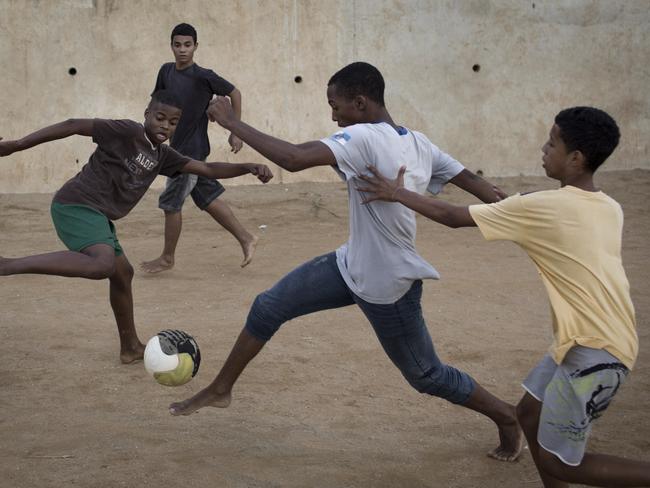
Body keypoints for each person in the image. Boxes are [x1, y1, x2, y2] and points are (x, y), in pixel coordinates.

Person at [169, 61, 523, 462]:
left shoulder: (361, 136)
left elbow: (295, 158)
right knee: (268, 306)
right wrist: (520, 209)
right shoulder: (420, 143)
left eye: (335, 105)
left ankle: (506, 415)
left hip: (388, 285)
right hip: (350, 265)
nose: (332, 115)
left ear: (360, 102)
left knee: (426, 376)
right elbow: (480, 186)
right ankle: (221, 388)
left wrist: (233, 122)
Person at [356, 106, 650, 486]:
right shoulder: (609, 207)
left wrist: (398, 193)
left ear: (576, 158)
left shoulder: (544, 206)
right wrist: (517, 204)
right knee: (529, 413)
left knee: (564, 464)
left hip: (596, 350)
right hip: (588, 340)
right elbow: (540, 216)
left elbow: (451, 216)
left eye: (552, 143)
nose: (544, 149)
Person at [0, 89, 272, 364]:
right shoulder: (126, 132)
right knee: (102, 265)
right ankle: (8, 265)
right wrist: (18, 144)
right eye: (160, 117)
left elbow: (207, 169)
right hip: (76, 205)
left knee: (122, 274)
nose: (165, 125)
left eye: (173, 122)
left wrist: (247, 166)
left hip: (98, 215)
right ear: (147, 114)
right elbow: (73, 125)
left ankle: (130, 347)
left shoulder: (163, 156)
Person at [140, 23, 257, 273]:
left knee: (171, 202)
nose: (182, 50)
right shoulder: (166, 71)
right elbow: (157, 100)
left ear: (196, 46)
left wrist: (235, 130)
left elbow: (235, 93)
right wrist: (148, 128)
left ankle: (167, 258)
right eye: (177, 45)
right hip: (175, 145)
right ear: (171, 45)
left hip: (191, 150)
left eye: (188, 45)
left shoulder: (204, 75)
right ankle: (247, 238)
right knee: (206, 196)